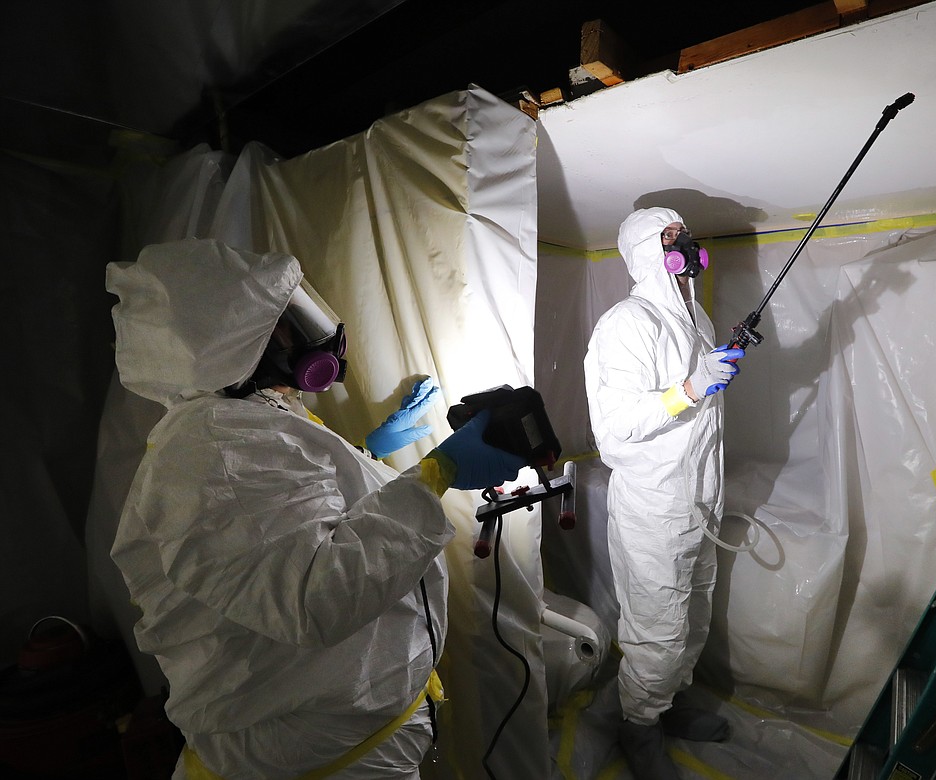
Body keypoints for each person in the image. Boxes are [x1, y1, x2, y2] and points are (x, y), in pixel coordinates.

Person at [105, 238, 525, 779]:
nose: (315, 333)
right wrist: (433, 477)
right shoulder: (217, 450)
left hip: (341, 743)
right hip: (318, 761)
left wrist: (371, 457)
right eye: (287, 320)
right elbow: (313, 596)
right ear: (231, 342)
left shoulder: (247, 420)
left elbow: (292, 527)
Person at [583, 208, 744, 778]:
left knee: (693, 616)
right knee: (659, 628)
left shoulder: (695, 315)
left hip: (699, 499)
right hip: (655, 506)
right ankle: (638, 726)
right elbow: (615, 427)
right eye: (671, 237)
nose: (687, 244)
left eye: (684, 234)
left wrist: (709, 373)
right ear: (648, 252)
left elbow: (696, 412)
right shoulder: (627, 323)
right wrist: (690, 387)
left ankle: (664, 707)